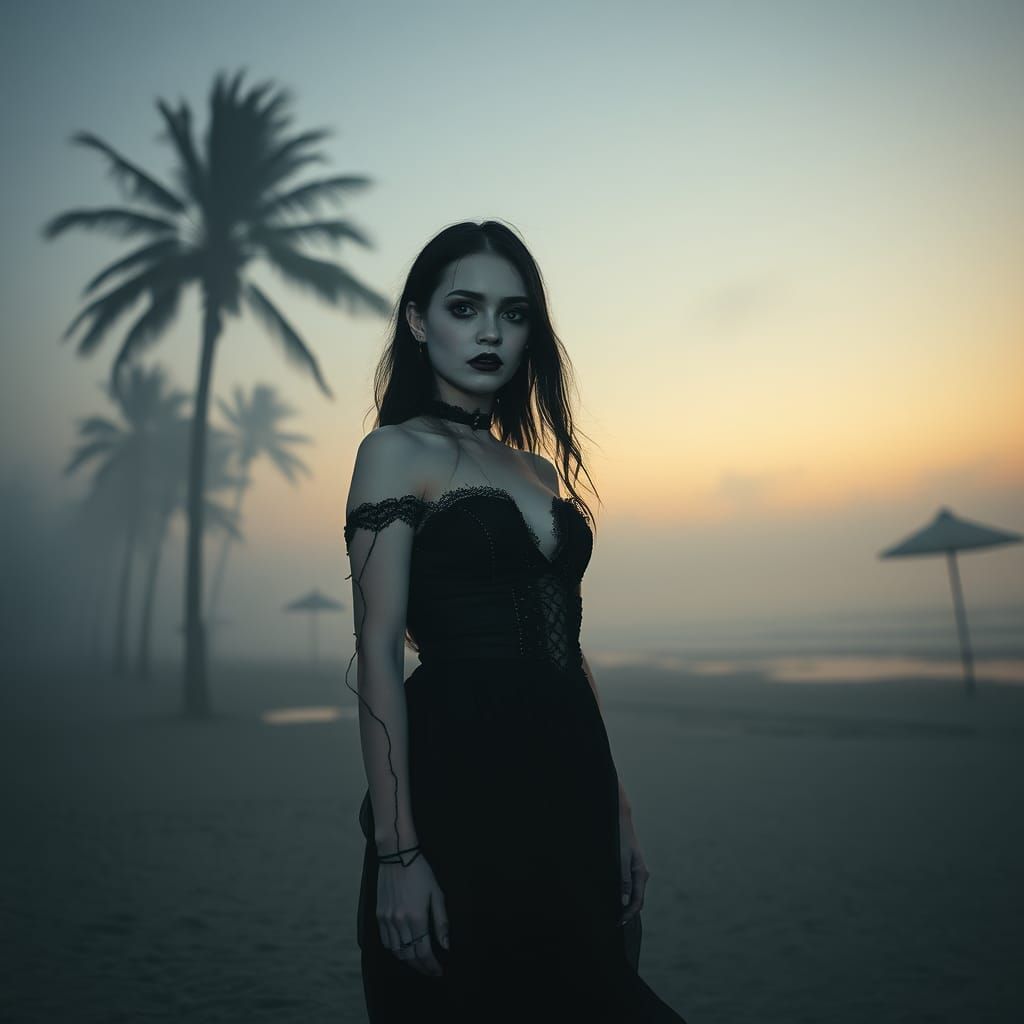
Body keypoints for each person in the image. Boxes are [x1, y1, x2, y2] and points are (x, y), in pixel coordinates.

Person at [343, 220, 688, 1022]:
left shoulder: (536, 468)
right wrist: (399, 852)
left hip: (572, 780)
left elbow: (565, 643)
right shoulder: (395, 452)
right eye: (466, 309)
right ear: (420, 320)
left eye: (514, 312)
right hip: (461, 781)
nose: (492, 331)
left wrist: (620, 810)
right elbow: (377, 656)